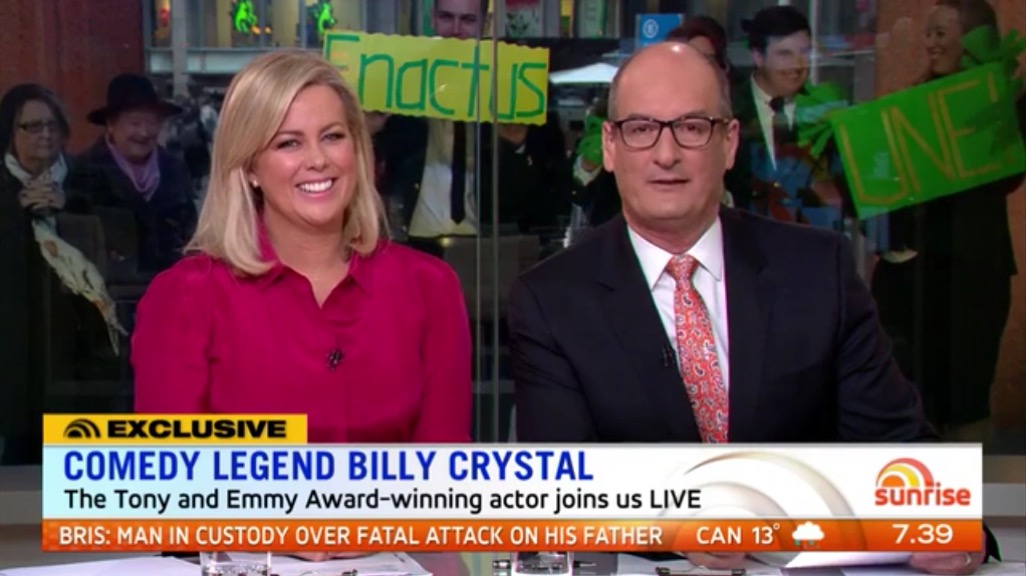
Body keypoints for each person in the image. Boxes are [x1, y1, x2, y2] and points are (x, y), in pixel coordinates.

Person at [508, 42, 990, 575]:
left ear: (730, 142)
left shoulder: (817, 271)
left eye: (692, 127)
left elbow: (902, 452)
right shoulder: (551, 299)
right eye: (641, 129)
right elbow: (558, 493)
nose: (666, 154)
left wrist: (956, 527)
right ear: (610, 145)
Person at [870, 0, 1022, 442]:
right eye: (928, 33)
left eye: (940, 33)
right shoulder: (908, 104)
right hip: (909, 277)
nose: (930, 43)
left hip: (972, 276)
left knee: (967, 402)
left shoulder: (1006, 104)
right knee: (910, 400)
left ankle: (970, 486)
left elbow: (1008, 177)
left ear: (973, 40)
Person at [370, 0, 570, 255]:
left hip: (492, 247)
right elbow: (380, 172)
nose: (456, 30)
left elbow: (551, 192)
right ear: (433, 19)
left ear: (485, 24)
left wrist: (515, 145)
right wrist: (370, 132)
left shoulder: (517, 83)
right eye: (446, 17)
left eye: (467, 20)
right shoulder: (403, 80)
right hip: (413, 243)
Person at [0, 84, 122, 465]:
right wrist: (17, 213)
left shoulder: (88, 178)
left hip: (78, 344)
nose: (46, 135)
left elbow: (124, 235)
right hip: (16, 343)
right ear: (10, 131)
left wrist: (69, 211)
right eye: (32, 126)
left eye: (52, 125)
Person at [725, 6, 841, 230]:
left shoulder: (826, 109)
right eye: (784, 54)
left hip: (813, 240)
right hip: (744, 240)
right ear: (758, 57)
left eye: (804, 52)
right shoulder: (728, 108)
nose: (797, 65)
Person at [77, 73, 196, 280]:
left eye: (152, 123)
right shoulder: (85, 171)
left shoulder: (174, 168)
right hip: (109, 292)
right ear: (111, 124)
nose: (144, 133)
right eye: (135, 123)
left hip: (170, 288)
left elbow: (191, 233)